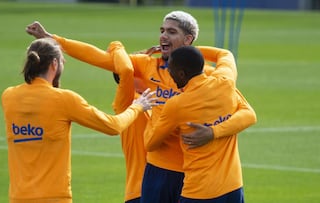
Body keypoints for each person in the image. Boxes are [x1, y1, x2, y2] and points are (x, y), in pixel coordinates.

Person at [25, 10, 256, 203]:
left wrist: (213, 132)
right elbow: (101, 58)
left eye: (171, 32)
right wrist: (54, 40)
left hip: (193, 174)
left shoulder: (206, 76)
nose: (163, 36)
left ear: (188, 40)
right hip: (159, 169)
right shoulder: (146, 65)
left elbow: (246, 113)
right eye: (162, 30)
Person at [1, 38, 156, 203]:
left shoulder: (8, 97)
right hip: (54, 197)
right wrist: (137, 107)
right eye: (62, 61)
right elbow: (113, 126)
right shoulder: (64, 100)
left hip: (18, 197)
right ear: (54, 64)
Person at [145, 46, 256, 203]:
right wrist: (214, 131)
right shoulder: (225, 82)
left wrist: (149, 110)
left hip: (199, 192)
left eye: (171, 70)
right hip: (233, 188)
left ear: (181, 74)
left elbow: (150, 144)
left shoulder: (177, 104)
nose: (169, 74)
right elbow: (225, 54)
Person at [108, 41, 150, 203]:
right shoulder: (127, 101)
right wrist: (116, 46)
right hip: (139, 192)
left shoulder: (155, 98)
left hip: (164, 187)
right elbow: (125, 69)